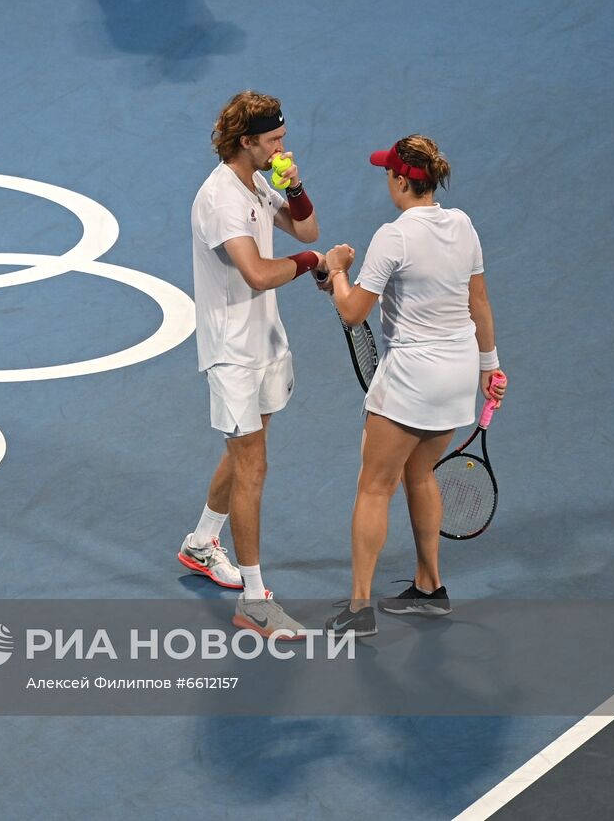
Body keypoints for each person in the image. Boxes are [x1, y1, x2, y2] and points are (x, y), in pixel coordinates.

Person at [320, 135, 508, 637]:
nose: (386, 179)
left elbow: (352, 310)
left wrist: (337, 271)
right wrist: (491, 367)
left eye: (388, 173)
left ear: (402, 181)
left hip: (411, 379)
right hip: (458, 376)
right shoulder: (463, 225)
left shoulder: (394, 236)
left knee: (374, 486)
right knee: (420, 474)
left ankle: (359, 611)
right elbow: (480, 302)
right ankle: (430, 589)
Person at [179, 90, 332, 638]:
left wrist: (294, 185)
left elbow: (306, 229)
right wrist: (315, 263)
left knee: (246, 452)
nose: (282, 147)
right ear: (247, 142)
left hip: (266, 343)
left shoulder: (258, 182)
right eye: (274, 141)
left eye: (283, 138)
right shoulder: (221, 198)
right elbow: (261, 274)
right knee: (253, 466)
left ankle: (201, 543)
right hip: (232, 355)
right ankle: (255, 600)